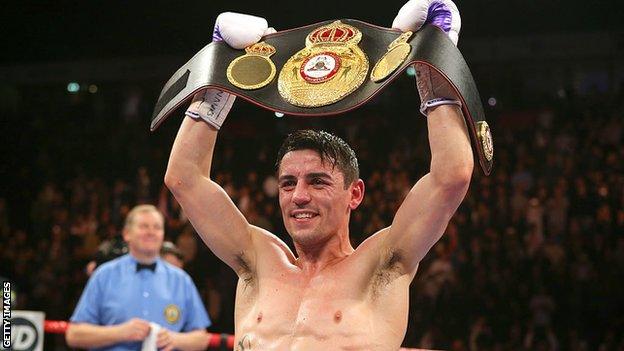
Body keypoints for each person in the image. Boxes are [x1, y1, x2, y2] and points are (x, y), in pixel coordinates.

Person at [164, 0, 472, 349]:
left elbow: (451, 177)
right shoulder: (257, 260)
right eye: (288, 183)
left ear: (354, 194)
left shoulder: (382, 263)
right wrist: (219, 76)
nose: (299, 196)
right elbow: (183, 179)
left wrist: (437, 55)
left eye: (318, 181)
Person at [66, 205, 210, 351]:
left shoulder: (181, 280)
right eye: (144, 226)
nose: (151, 232)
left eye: (157, 227)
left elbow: (201, 339)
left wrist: (175, 339)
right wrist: (118, 333)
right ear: (127, 233)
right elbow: (74, 335)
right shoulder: (104, 275)